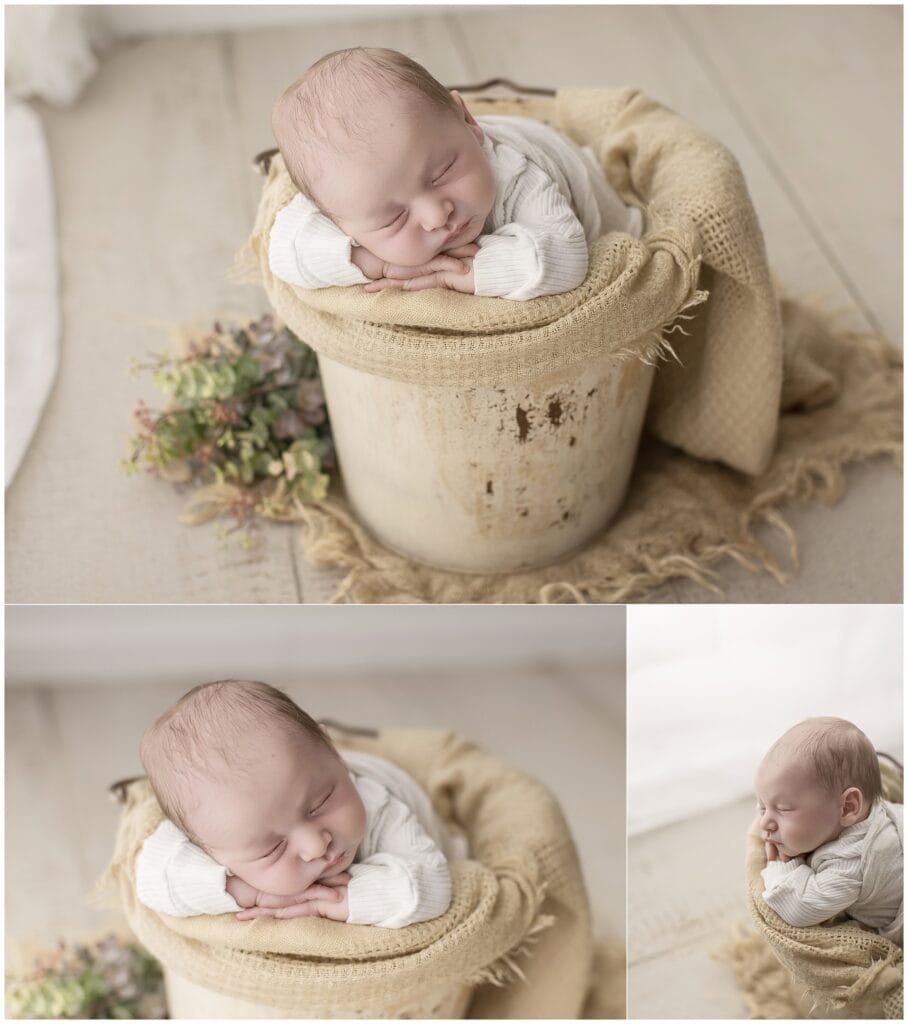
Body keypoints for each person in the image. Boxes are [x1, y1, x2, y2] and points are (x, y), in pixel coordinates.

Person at [268, 47, 642, 301]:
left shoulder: (517, 176)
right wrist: (374, 262)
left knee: (625, 237)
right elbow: (283, 252)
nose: (436, 215)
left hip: (586, 192)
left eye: (443, 172)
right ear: (334, 218)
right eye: (393, 218)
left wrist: (469, 270)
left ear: (468, 120)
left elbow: (567, 259)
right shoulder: (346, 192)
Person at [135, 679, 461, 926]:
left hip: (424, 826)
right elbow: (151, 881)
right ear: (207, 850)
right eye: (272, 848)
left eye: (320, 803)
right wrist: (246, 892)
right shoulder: (211, 827)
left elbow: (433, 886)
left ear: (333, 752)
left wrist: (342, 898)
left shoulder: (381, 806)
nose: (316, 846)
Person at [755, 717, 903, 944]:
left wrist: (781, 867)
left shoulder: (855, 862)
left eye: (783, 809)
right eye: (762, 807)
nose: (764, 823)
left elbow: (800, 907)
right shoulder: (858, 816)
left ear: (848, 807)